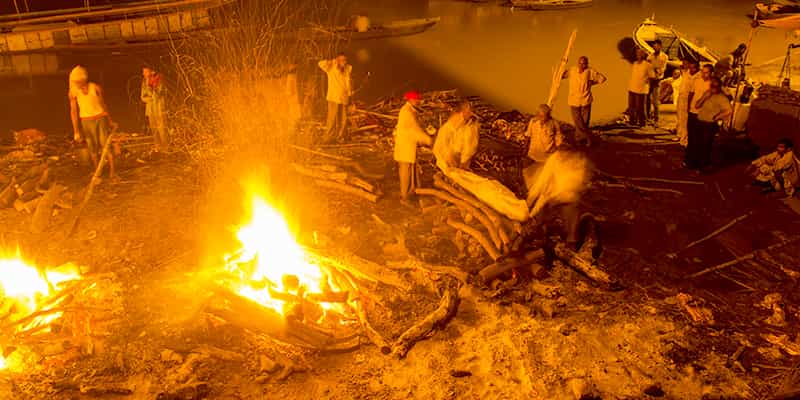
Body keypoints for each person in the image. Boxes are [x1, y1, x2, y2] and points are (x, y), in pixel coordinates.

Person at [69, 65, 116, 177]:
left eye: (78, 82)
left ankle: (112, 171)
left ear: (83, 80)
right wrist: (76, 131)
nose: (77, 84)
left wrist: (110, 121)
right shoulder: (73, 92)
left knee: (106, 145)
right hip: (86, 121)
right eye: (75, 82)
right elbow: (74, 112)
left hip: (100, 119)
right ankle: (97, 171)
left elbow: (103, 105)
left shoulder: (95, 88)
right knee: (92, 147)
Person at [394, 91, 433, 204]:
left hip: (408, 146)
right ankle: (404, 197)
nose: (418, 101)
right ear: (411, 100)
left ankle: (411, 193)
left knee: (410, 170)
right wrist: (429, 140)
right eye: (417, 99)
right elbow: (415, 130)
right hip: (405, 147)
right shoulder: (407, 112)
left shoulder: (410, 111)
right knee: (406, 172)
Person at [686, 77, 732, 172]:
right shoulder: (707, 94)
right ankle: (694, 163)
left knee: (705, 145)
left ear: (719, 87)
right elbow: (697, 105)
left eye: (715, 86)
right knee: (696, 144)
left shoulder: (722, 98)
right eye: (712, 86)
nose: (713, 88)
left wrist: (716, 117)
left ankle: (704, 166)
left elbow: (729, 110)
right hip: (700, 121)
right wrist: (704, 97)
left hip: (709, 124)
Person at [563, 56, 606, 147]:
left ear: (587, 64)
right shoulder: (572, 70)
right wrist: (562, 64)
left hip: (585, 100)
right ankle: (588, 137)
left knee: (585, 122)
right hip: (573, 100)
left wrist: (592, 83)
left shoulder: (590, 71)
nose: (582, 65)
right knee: (578, 121)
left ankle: (578, 139)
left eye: (584, 63)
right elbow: (561, 76)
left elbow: (602, 79)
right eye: (580, 63)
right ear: (577, 63)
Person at [433, 101, 479, 173]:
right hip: (447, 165)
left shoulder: (470, 127)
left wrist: (464, 162)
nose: (470, 114)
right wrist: (447, 163)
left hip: (461, 163)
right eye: (468, 111)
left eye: (470, 111)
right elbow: (439, 149)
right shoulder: (447, 128)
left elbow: (470, 148)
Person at [318, 52, 352, 143]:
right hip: (333, 97)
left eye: (345, 60)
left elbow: (348, 83)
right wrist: (333, 61)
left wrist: (350, 95)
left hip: (344, 97)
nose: (343, 62)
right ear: (337, 60)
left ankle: (341, 137)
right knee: (332, 119)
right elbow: (320, 64)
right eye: (341, 60)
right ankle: (328, 138)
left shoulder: (347, 69)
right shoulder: (331, 68)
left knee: (343, 120)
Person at [685, 64, 714, 167]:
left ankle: (702, 162)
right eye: (703, 72)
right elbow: (691, 94)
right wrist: (688, 106)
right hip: (693, 113)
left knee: (703, 140)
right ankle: (690, 161)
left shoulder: (713, 85)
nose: (704, 74)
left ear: (711, 73)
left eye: (706, 72)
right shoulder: (697, 81)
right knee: (692, 138)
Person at [140, 66, 168, 150]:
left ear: (151, 71)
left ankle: (166, 147)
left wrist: (150, 88)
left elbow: (158, 94)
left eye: (145, 72)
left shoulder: (159, 79)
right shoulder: (144, 82)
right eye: (143, 72)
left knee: (162, 129)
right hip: (150, 110)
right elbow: (142, 97)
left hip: (159, 109)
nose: (143, 74)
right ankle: (158, 147)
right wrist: (150, 99)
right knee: (154, 129)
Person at [628, 48, 655, 127]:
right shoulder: (634, 63)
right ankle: (632, 122)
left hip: (641, 89)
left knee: (640, 107)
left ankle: (642, 123)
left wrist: (648, 85)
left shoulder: (647, 65)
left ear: (644, 55)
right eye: (637, 53)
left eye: (640, 53)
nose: (638, 55)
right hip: (632, 87)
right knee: (631, 106)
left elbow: (652, 76)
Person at [676, 59, 700, 146]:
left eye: (693, 67)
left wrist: (689, 103)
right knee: (680, 117)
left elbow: (693, 91)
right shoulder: (686, 72)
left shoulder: (698, 76)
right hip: (681, 96)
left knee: (686, 120)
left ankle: (685, 139)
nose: (691, 69)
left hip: (689, 99)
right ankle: (680, 135)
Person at [646, 40, 669, 126]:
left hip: (657, 80)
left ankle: (656, 119)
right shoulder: (650, 56)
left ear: (660, 46)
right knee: (647, 99)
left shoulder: (664, 56)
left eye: (656, 46)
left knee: (655, 101)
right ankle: (648, 118)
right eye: (653, 46)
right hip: (649, 79)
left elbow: (662, 69)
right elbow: (648, 67)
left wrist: (655, 68)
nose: (654, 48)